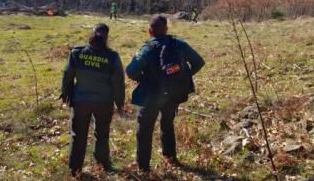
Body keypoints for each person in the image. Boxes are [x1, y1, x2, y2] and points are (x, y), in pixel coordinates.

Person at [126, 15, 205, 172]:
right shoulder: (179, 45)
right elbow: (199, 62)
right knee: (167, 125)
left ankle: (143, 167)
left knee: (144, 131)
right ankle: (170, 158)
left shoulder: (146, 49)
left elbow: (130, 71)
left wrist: (143, 78)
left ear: (150, 32)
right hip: (172, 94)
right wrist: (184, 75)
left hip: (149, 96)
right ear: (167, 29)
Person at [60, 23, 125, 177]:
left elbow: (67, 74)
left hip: (80, 101)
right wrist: (119, 101)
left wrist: (66, 93)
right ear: (106, 37)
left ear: (92, 34)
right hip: (104, 103)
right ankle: (102, 164)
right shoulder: (112, 57)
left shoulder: (77, 53)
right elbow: (118, 82)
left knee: (78, 135)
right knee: (102, 134)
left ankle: (75, 169)